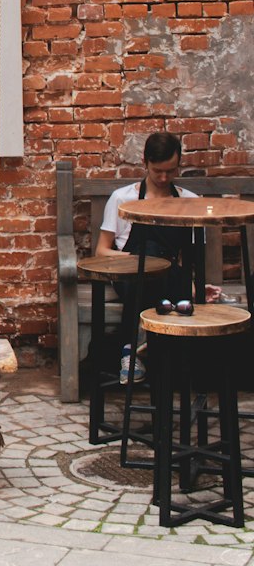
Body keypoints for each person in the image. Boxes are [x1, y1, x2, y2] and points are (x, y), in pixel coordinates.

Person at [97, 132, 198, 381]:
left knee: (161, 269)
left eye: (171, 171)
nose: (164, 178)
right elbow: (102, 251)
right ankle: (153, 353)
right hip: (129, 273)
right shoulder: (123, 199)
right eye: (157, 171)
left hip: (170, 275)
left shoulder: (188, 202)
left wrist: (193, 282)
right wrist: (136, 259)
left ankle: (133, 351)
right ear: (145, 164)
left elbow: (189, 258)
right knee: (148, 258)